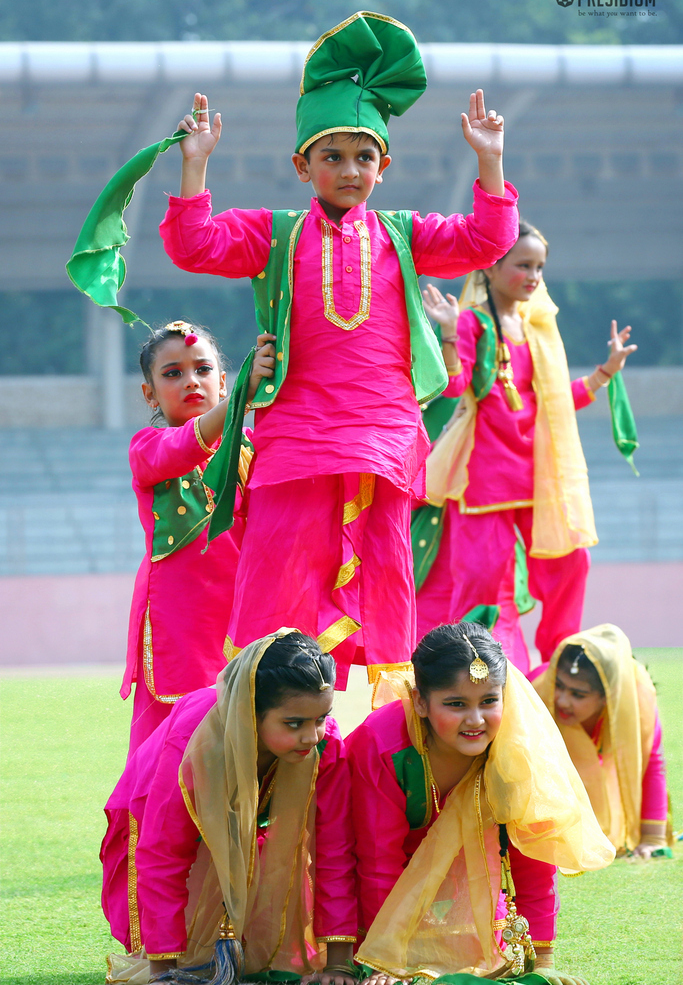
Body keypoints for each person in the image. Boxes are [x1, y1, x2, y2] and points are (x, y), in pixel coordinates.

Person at [158, 11, 519, 689]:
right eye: (332, 156)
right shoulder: (275, 233)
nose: (349, 170)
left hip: (382, 434)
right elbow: (193, 244)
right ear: (302, 165)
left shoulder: (404, 235)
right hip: (293, 435)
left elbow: (484, 241)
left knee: (384, 576)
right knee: (275, 574)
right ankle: (265, 707)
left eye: (364, 157)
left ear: (384, 166)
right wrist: (195, 164)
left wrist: (489, 159)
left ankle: (378, 722)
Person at [346, 621, 614, 985]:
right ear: (420, 701)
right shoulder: (380, 745)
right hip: (360, 894)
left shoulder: (514, 746)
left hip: (467, 905)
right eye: (456, 704)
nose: (475, 720)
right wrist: (385, 960)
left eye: (489, 701)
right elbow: (378, 860)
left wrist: (544, 961)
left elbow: (531, 855)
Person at [420, 221, 637, 661]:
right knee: (479, 586)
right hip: (483, 482)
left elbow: (551, 403)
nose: (534, 276)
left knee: (571, 563)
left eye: (539, 267)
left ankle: (560, 659)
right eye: (523, 265)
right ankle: (467, 672)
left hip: (536, 478)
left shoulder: (535, 328)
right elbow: (452, 384)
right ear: (491, 267)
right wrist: (446, 332)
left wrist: (605, 372)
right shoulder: (472, 324)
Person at [101, 629, 357, 985]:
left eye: (320, 718)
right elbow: (163, 854)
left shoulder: (325, 744)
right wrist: (163, 974)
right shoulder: (194, 744)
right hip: (153, 813)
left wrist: (338, 966)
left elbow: (336, 851)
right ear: (249, 710)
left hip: (256, 825)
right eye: (294, 723)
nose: (311, 736)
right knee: (191, 955)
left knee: (261, 957)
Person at [124, 320, 275, 751]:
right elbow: (185, 447)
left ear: (223, 381)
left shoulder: (255, 445)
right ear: (149, 393)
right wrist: (244, 395)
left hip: (247, 618)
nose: (191, 380)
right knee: (175, 749)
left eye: (203, 369)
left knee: (252, 742)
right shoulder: (148, 447)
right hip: (182, 623)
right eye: (172, 373)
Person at [532, 623, 672, 859]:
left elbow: (651, 764)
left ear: (608, 696)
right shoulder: (536, 692)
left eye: (578, 694)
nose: (562, 701)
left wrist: (652, 838)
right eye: (559, 685)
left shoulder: (637, 707)